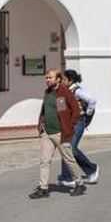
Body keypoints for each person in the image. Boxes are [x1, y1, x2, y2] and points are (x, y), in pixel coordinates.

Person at [30, 69, 85, 198]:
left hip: (61, 133)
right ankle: (43, 188)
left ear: (58, 79)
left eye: (50, 77)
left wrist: (69, 126)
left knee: (68, 159)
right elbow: (45, 110)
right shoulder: (48, 92)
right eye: (46, 78)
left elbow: (76, 110)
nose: (47, 80)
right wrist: (41, 125)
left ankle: (79, 183)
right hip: (47, 133)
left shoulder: (65, 92)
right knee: (44, 161)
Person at [58, 68, 101, 187]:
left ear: (70, 80)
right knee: (66, 148)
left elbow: (92, 100)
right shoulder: (64, 91)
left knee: (71, 149)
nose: (62, 81)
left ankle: (91, 169)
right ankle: (67, 176)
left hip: (78, 123)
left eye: (64, 79)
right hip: (68, 123)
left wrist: (88, 113)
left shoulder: (77, 91)